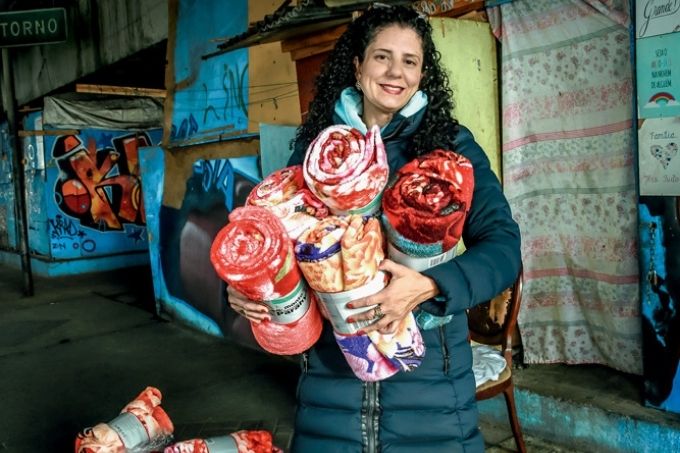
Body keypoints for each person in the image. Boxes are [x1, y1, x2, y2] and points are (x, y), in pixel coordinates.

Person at [228, 4, 521, 452]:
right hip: (332, 380)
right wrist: (252, 288)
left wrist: (428, 285)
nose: (395, 72)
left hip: (430, 383)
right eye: (382, 56)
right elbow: (280, 244)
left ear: (424, 74)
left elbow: (503, 248)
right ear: (358, 64)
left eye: (410, 61)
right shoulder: (317, 151)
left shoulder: (451, 147)